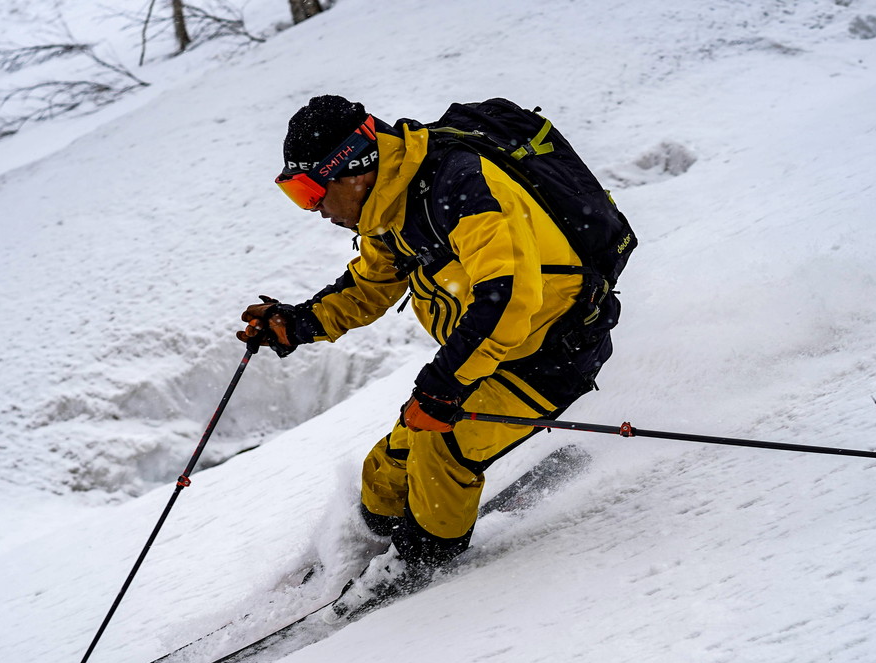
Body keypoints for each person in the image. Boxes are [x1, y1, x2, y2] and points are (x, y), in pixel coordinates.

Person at [238, 95, 622, 617]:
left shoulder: (461, 185)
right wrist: (297, 323)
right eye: (295, 195)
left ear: (353, 167)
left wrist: (443, 387)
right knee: (383, 474)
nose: (314, 209)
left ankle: (424, 562)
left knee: (439, 452)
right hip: (484, 356)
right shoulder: (390, 203)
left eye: (309, 191)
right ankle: (368, 545)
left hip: (550, 351)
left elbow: (508, 294)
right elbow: (370, 286)